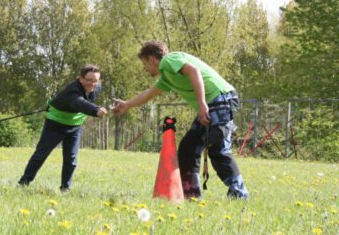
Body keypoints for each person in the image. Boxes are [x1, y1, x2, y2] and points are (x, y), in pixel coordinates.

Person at [112, 40, 249, 200]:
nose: (145, 69)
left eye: (144, 64)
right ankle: (191, 193)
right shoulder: (167, 77)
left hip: (220, 99)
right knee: (187, 149)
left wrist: (201, 102)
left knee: (218, 148)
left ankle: (239, 193)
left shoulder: (170, 60)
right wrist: (127, 105)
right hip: (211, 104)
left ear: (151, 59)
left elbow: (194, 71)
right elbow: (148, 94)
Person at [18, 64, 107, 192]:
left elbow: (86, 100)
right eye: (89, 80)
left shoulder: (96, 87)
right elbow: (79, 103)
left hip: (75, 126)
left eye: (95, 81)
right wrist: (95, 110)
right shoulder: (72, 91)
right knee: (40, 155)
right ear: (80, 78)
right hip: (55, 125)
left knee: (71, 159)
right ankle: (23, 183)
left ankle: (66, 189)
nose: (92, 84)